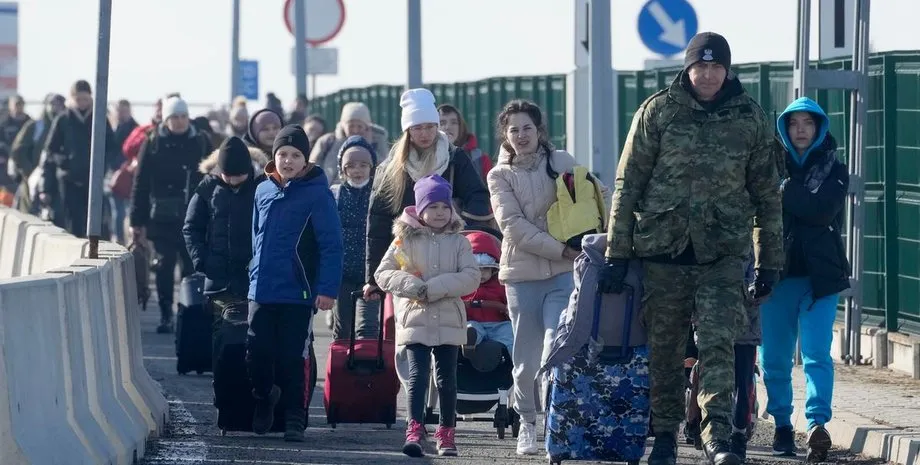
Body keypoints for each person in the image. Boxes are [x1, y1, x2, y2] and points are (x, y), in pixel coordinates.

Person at [598, 32, 784, 465]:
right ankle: (664, 436)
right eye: (701, 66)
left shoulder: (750, 118)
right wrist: (616, 252)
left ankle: (717, 435)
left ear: (728, 70)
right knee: (665, 350)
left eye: (717, 67)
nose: (708, 75)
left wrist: (769, 261)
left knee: (719, 343)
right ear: (687, 68)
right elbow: (629, 184)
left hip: (722, 253)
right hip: (663, 252)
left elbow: (767, 195)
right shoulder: (658, 111)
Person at [486, 99, 579, 456]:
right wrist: (561, 249)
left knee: (557, 347)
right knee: (525, 360)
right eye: (514, 130)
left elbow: (595, 197)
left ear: (539, 131)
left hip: (562, 274)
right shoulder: (499, 176)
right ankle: (527, 421)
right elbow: (514, 227)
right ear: (505, 136)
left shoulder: (562, 162)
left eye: (528, 128)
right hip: (522, 276)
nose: (521, 135)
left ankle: (558, 422)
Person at [759, 97, 849, 463]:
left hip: (820, 279)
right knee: (776, 359)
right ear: (783, 129)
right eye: (793, 123)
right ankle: (782, 423)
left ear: (819, 128)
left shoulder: (834, 169)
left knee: (816, 354)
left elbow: (821, 210)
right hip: (776, 277)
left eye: (807, 124)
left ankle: (816, 425)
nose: (800, 130)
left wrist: (783, 190)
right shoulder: (765, 168)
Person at [247, 125, 343, 442]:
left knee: (293, 357)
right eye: (283, 154)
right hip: (261, 289)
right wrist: (252, 273)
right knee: (256, 353)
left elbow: (331, 245)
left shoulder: (318, 194)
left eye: (295, 155)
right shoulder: (262, 190)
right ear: (274, 157)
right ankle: (263, 397)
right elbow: (256, 238)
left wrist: (327, 289)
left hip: (298, 292)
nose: (288, 161)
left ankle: (294, 417)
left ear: (305, 160)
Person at [374, 174, 480, 458]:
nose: (440, 213)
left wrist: (433, 288)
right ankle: (415, 428)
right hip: (415, 317)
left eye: (444, 207)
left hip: (448, 318)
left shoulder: (459, 242)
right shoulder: (403, 240)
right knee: (418, 376)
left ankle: (446, 432)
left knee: (447, 378)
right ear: (420, 209)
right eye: (433, 207)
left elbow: (471, 276)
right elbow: (383, 273)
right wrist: (411, 286)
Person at [363, 88, 492, 303]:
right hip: (408, 263)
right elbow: (377, 222)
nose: (425, 134)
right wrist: (373, 279)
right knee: (408, 327)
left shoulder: (454, 158)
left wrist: (459, 229)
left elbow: (477, 197)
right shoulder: (392, 168)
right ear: (408, 130)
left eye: (430, 127)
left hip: (448, 258)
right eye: (418, 128)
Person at [130, 96, 213, 333]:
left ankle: (188, 313)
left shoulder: (200, 140)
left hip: (194, 216)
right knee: (164, 266)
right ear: (166, 119)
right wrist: (137, 221)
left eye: (183, 116)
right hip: (162, 219)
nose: (179, 121)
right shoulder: (153, 142)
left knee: (191, 268)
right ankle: (166, 313)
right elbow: (141, 183)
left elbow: (213, 178)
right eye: (174, 117)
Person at [183, 136, 264, 364]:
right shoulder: (208, 188)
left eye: (239, 176)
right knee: (224, 335)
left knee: (255, 336)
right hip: (220, 279)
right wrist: (203, 262)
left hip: (255, 277)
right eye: (228, 176)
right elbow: (191, 228)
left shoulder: (263, 186)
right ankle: (225, 388)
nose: (233, 181)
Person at [39, 80, 119, 238]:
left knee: (96, 223)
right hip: (69, 180)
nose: (82, 103)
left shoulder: (100, 119)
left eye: (85, 99)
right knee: (72, 222)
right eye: (78, 99)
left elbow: (111, 147)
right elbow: (50, 152)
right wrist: (64, 163)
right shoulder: (63, 120)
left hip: (94, 181)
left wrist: (102, 166)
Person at [329, 135, 379, 340]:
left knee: (368, 328)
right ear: (343, 169)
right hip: (342, 272)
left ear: (372, 167)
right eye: (351, 166)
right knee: (342, 327)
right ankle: (341, 369)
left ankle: (367, 368)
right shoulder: (335, 194)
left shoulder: (379, 193)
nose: (357, 170)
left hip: (370, 273)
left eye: (363, 165)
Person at [460, 230, 514, 360]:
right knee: (471, 328)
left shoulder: (500, 285)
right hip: (473, 321)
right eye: (477, 270)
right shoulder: (463, 286)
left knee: (510, 333)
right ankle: (468, 343)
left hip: (497, 323)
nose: (481, 274)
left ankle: (518, 362)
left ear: (493, 269)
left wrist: (508, 308)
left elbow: (510, 301)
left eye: (485, 269)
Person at [9, 93, 65, 213]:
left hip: (60, 183)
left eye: (59, 105)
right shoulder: (36, 127)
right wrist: (30, 172)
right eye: (52, 104)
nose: (56, 108)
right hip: (33, 183)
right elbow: (18, 151)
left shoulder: (67, 127)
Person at [309, 102, 389, 184]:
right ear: (343, 126)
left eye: (359, 126)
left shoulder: (377, 142)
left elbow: (383, 171)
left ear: (366, 127)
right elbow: (312, 169)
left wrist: (368, 146)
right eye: (351, 126)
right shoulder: (327, 142)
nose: (355, 130)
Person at [438, 104, 491, 183]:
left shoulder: (480, 159)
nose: (448, 127)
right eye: (442, 123)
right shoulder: (424, 156)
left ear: (461, 127)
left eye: (454, 122)